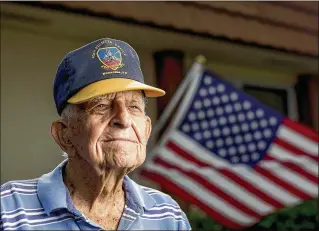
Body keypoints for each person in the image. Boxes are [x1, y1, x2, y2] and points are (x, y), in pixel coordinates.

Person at [0, 38, 191, 230]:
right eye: (101, 106)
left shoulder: (167, 215)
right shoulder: (9, 209)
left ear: (147, 130)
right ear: (64, 134)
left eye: (133, 107)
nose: (124, 120)